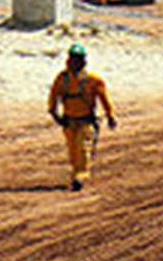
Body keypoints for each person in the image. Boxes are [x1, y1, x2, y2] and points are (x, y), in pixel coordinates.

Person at [47, 44, 117, 191]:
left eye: (78, 59)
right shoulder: (62, 79)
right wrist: (54, 113)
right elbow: (54, 96)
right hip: (69, 122)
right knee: (73, 152)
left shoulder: (94, 80)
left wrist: (110, 115)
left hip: (86, 122)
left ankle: (80, 176)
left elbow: (104, 99)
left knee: (84, 150)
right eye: (72, 59)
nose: (74, 62)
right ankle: (76, 175)